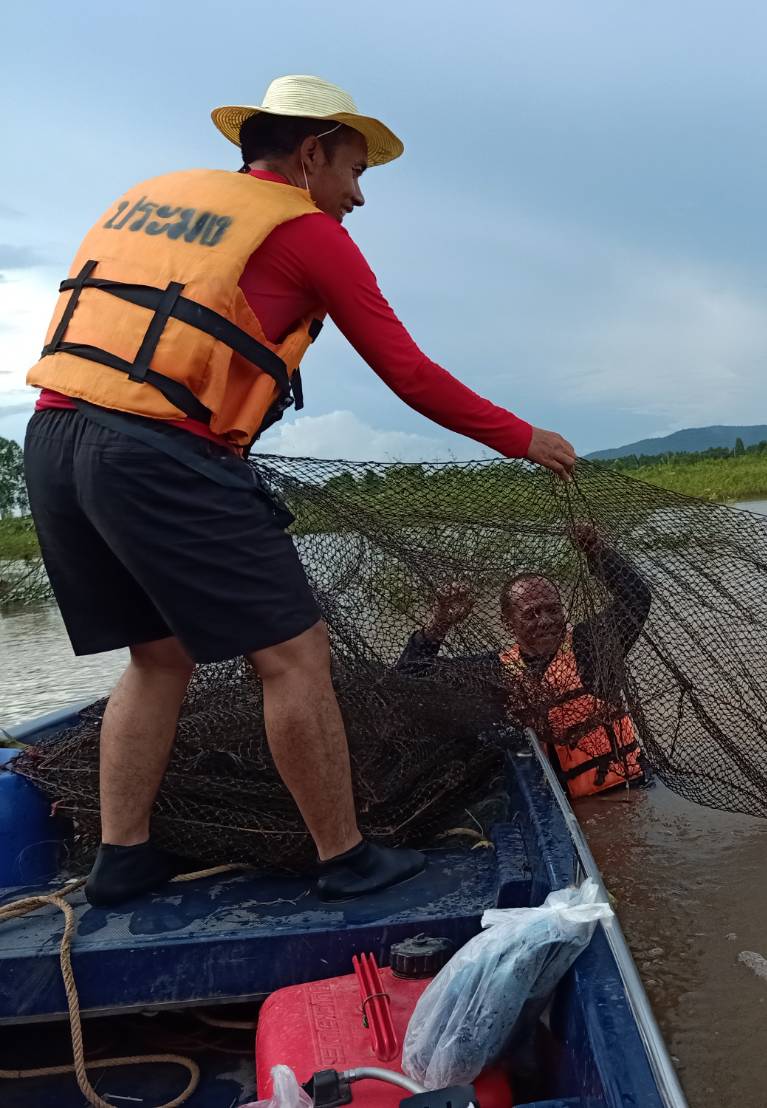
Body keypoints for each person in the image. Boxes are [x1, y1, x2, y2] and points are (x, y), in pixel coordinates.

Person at [21, 75, 578, 906]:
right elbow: (409, 374)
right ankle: (345, 856)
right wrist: (523, 438)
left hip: (54, 441)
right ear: (311, 153)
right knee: (294, 655)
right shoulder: (306, 232)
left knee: (158, 654)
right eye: (353, 170)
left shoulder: (154, 197)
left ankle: (123, 857)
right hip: (158, 452)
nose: (356, 195)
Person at [398, 525, 652, 798]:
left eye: (553, 610)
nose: (545, 621)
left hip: (630, 791)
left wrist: (596, 551)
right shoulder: (495, 671)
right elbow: (410, 677)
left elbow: (636, 598)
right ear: (509, 624)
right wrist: (439, 625)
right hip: (564, 807)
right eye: (531, 614)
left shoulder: (591, 645)